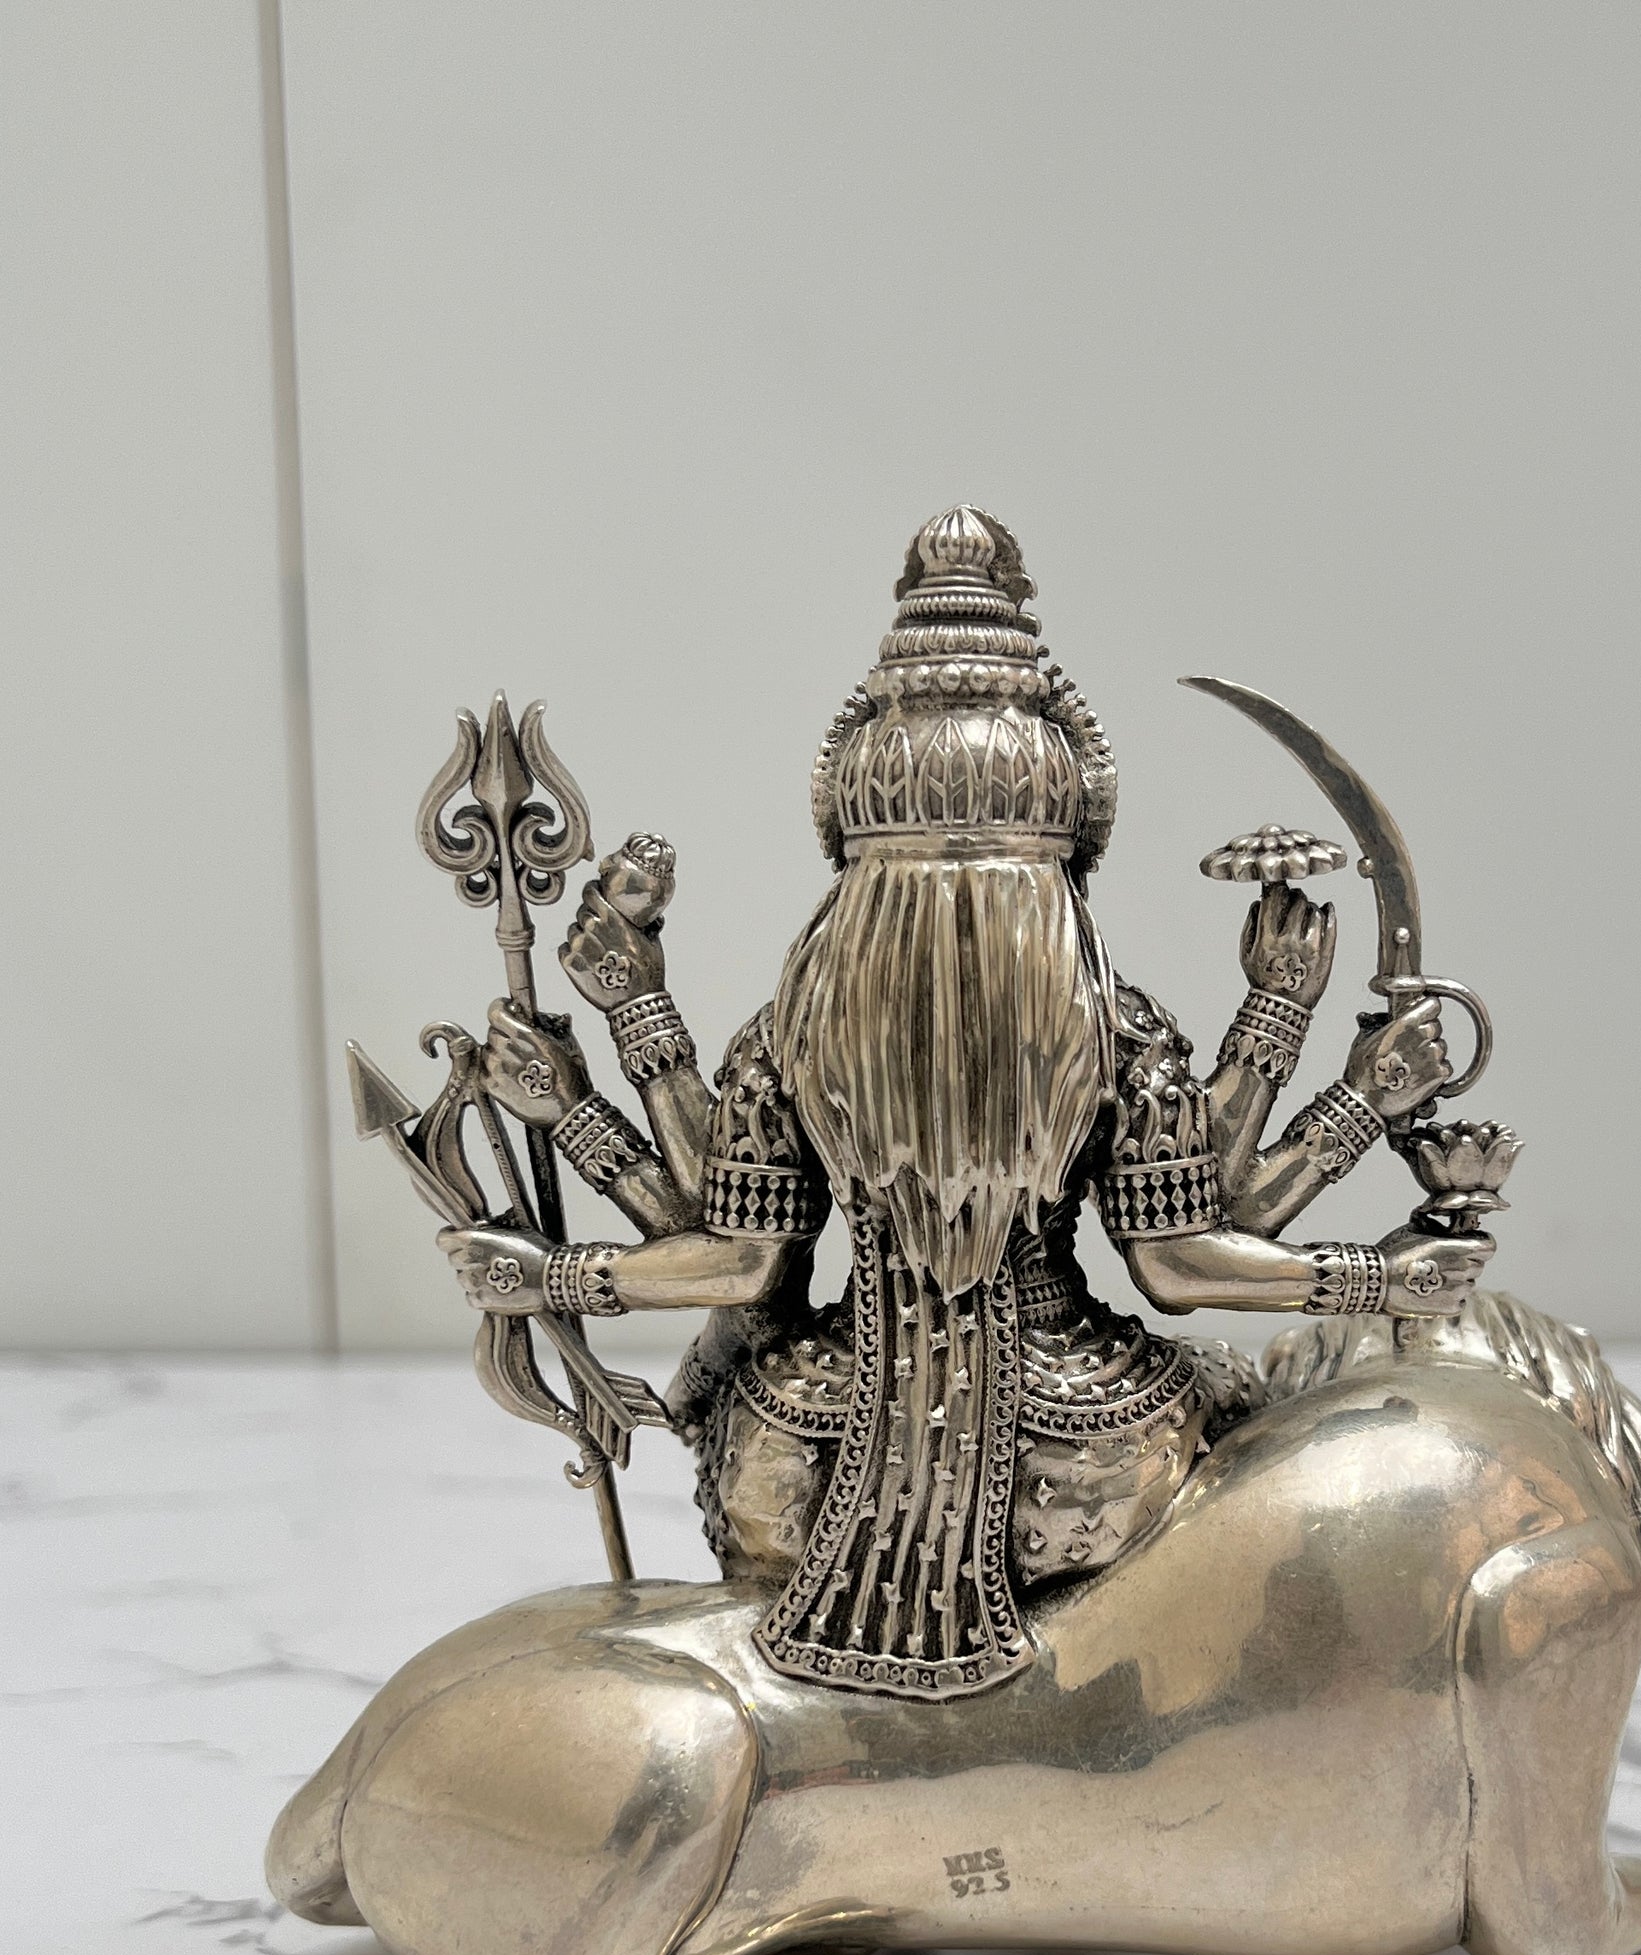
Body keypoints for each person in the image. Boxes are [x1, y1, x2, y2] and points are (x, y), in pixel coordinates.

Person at [439, 507, 1488, 1699]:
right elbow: (1183, 1264)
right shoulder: (1112, 1031)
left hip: (804, 1460)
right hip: (1090, 1464)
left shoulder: (789, 1038)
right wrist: (1377, 1269)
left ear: (848, 845)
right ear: (1069, 851)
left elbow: (736, 1266)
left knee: (745, 1376)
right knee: (1253, 1421)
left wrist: (552, 1270)